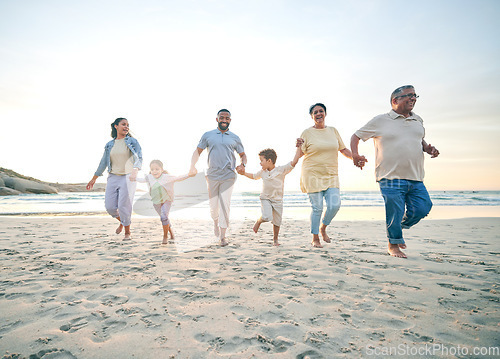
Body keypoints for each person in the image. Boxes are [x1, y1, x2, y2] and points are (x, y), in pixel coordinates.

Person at [350, 85, 440, 258]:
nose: (413, 98)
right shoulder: (381, 120)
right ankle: (393, 244)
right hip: (389, 176)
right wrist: (355, 154)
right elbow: (356, 136)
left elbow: (420, 140)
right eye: (409, 96)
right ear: (395, 100)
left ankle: (397, 228)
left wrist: (428, 149)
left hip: (415, 176)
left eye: (415, 95)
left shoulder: (418, 120)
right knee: (395, 210)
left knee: (423, 207)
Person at [296, 103, 353, 248]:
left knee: (335, 205)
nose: (318, 114)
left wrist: (356, 158)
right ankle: (315, 237)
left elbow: (343, 149)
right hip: (312, 174)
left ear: (325, 114)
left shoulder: (333, 131)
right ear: (311, 116)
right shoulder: (307, 133)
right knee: (317, 208)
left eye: (321, 111)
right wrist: (297, 147)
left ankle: (323, 227)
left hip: (331, 174)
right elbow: (300, 153)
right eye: (315, 112)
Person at [189, 109, 246, 246]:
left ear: (230, 120)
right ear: (217, 119)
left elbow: (243, 154)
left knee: (225, 204)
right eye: (222, 118)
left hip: (228, 175)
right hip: (212, 176)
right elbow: (197, 152)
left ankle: (223, 237)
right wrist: (192, 166)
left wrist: (243, 164)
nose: (224, 120)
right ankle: (215, 223)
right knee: (214, 207)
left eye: (227, 118)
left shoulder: (234, 137)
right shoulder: (208, 135)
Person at [86, 118, 142, 240]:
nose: (126, 127)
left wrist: (135, 170)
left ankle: (127, 232)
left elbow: (139, 158)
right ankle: (123, 221)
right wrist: (94, 178)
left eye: (128, 125)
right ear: (116, 126)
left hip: (128, 177)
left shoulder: (133, 142)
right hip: (113, 177)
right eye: (123, 124)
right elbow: (103, 163)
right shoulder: (109, 144)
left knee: (124, 206)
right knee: (110, 207)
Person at [237, 148, 301, 246]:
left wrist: (299, 148)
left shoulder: (281, 170)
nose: (260, 163)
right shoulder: (262, 172)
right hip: (265, 198)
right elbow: (254, 176)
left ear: (269, 161)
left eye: (262, 160)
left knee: (277, 222)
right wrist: (244, 173)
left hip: (278, 200)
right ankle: (259, 221)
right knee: (267, 217)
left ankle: (275, 240)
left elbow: (294, 162)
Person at [137, 160, 194, 244]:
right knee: (164, 218)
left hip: (167, 200)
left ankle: (165, 236)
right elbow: (141, 180)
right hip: (156, 202)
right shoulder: (149, 177)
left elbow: (178, 178)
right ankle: (171, 233)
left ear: (162, 169)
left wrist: (189, 174)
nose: (154, 171)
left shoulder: (166, 177)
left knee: (164, 216)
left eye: (157, 169)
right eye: (152, 169)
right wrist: (131, 176)